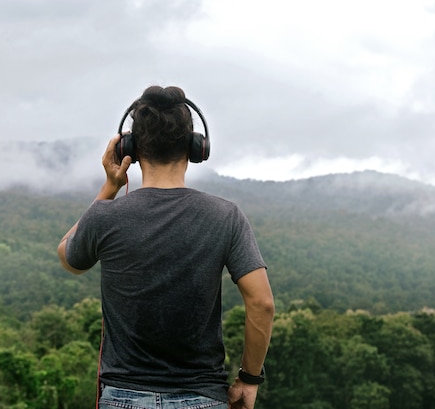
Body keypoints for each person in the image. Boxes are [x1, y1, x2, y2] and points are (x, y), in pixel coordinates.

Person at [57, 85, 274, 409]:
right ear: (196, 147)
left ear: (128, 149)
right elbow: (262, 304)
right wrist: (248, 380)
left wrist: (109, 187)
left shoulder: (105, 216)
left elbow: (68, 257)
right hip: (204, 398)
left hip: (122, 399)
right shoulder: (226, 216)